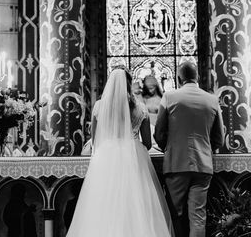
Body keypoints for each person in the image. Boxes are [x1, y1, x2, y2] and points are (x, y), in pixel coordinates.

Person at [66, 68, 173, 237]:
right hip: (134, 157)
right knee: (135, 202)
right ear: (129, 84)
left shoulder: (100, 106)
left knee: (104, 201)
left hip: (106, 157)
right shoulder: (140, 108)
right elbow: (146, 141)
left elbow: (94, 140)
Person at [154, 62, 224, 237]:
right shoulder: (212, 100)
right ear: (197, 77)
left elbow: (159, 132)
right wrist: (206, 149)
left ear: (179, 78)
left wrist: (168, 148)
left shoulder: (169, 97)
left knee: (174, 214)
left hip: (176, 164)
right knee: (198, 216)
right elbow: (219, 138)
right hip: (203, 166)